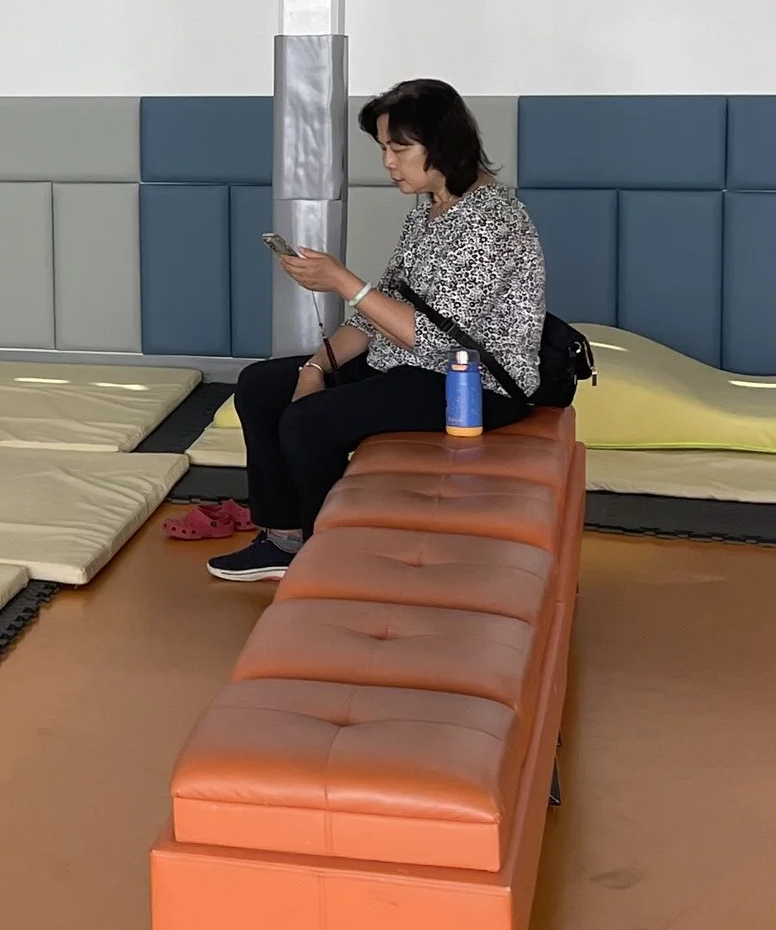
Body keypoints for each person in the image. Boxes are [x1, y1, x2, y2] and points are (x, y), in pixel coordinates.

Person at [210, 79, 548, 584]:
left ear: (443, 143)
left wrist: (342, 280)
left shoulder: (491, 219)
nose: (389, 162)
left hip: (476, 384)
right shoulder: (430, 210)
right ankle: (286, 538)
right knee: (261, 387)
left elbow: (435, 339)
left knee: (309, 423)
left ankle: (330, 556)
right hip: (413, 364)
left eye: (399, 148)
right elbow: (379, 312)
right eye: (384, 149)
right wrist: (315, 367)